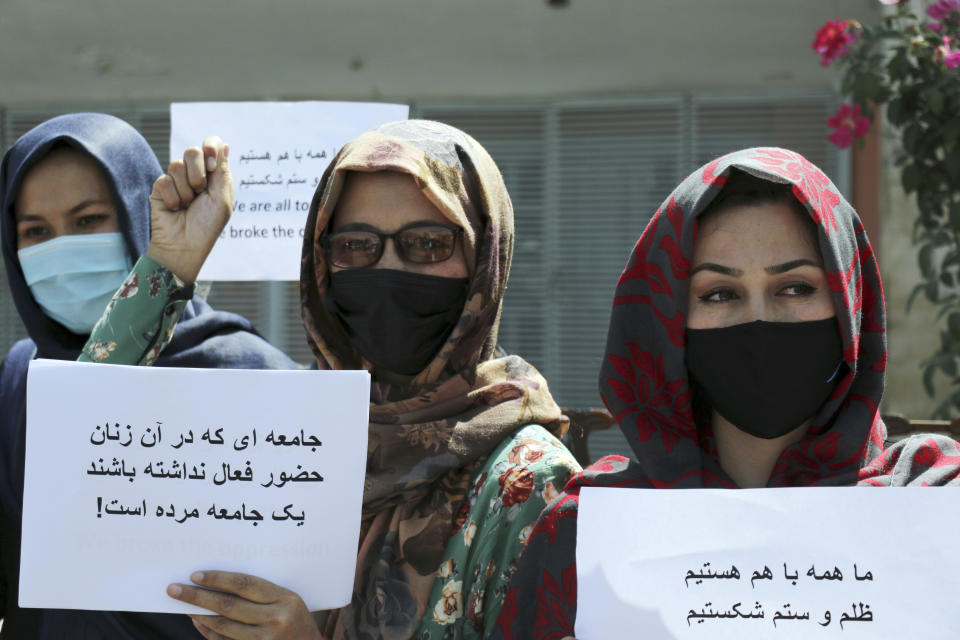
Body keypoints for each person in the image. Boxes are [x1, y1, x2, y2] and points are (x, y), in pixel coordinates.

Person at [82, 120, 580, 639]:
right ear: (322, 262)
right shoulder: (284, 435)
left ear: (485, 259)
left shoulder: (527, 484)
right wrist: (171, 265)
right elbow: (81, 445)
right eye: (357, 246)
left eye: (427, 244)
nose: (388, 269)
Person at [492, 147, 960, 639]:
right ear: (667, 325)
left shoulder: (934, 503)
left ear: (850, 303)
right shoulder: (584, 539)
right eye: (719, 294)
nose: (760, 321)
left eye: (797, 288)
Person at [0, 113, 296, 639]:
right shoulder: (21, 376)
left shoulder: (253, 375)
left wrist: (169, 267)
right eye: (35, 231)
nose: (62, 249)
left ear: (140, 215)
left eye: (89, 220)